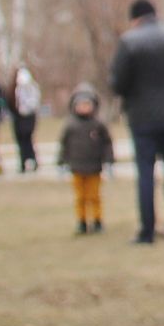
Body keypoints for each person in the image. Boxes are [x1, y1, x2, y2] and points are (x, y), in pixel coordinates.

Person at [108, 0, 164, 246]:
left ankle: (147, 230)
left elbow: (118, 82)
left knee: (146, 172)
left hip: (142, 116)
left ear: (134, 18)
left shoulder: (129, 42)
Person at [56, 84, 114, 235]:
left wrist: (108, 161)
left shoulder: (98, 125)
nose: (84, 107)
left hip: (94, 167)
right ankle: (81, 221)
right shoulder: (70, 126)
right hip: (77, 167)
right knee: (80, 197)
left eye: (87, 104)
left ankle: (97, 220)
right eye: (81, 104)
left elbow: (107, 144)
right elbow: (64, 145)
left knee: (94, 196)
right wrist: (61, 162)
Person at [9, 65, 42, 173]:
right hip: (20, 118)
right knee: (24, 142)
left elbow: (33, 103)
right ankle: (25, 162)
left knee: (26, 141)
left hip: (26, 119)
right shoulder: (16, 88)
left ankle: (29, 161)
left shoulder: (30, 88)